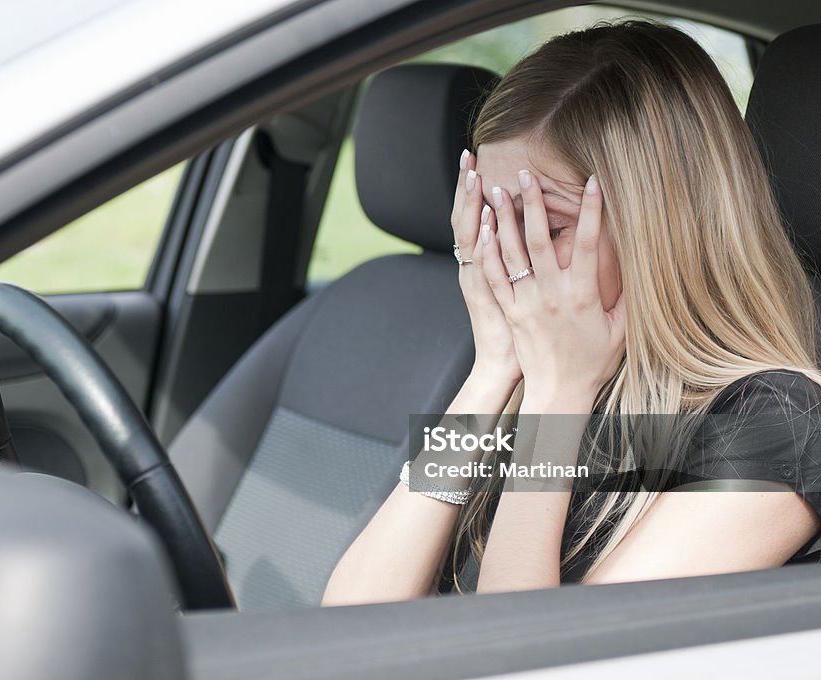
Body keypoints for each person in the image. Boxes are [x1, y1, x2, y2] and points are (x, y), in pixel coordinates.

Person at [321, 20, 821, 605]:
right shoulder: (543, 383)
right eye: (490, 219)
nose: (507, 256)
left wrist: (556, 402)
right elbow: (351, 613)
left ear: (658, 231)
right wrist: (490, 373)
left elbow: (524, 653)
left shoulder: (778, 424)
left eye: (543, 226)